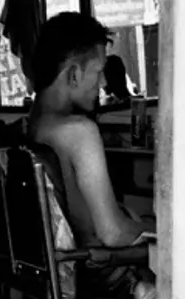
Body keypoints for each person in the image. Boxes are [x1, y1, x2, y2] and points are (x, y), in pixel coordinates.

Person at [27, 13, 150, 253]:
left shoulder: (30, 127)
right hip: (99, 266)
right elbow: (113, 233)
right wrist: (163, 231)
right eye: (98, 71)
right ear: (74, 74)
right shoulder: (80, 132)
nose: (103, 82)